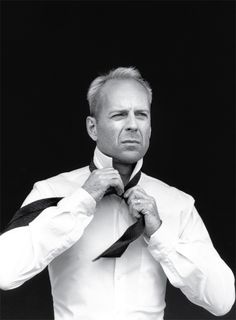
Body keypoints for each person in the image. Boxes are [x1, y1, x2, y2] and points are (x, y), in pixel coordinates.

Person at [0, 67, 235, 320]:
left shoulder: (177, 203)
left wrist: (160, 234)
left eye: (142, 115)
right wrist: (81, 202)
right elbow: (5, 272)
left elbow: (222, 301)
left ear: (151, 127)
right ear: (93, 127)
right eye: (119, 115)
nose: (133, 125)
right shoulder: (52, 192)